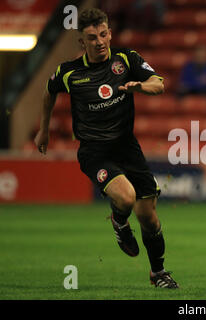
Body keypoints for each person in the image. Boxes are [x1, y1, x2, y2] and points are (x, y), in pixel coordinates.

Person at [34, 8, 178, 289]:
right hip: (94, 151)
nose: (100, 41)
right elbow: (48, 91)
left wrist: (141, 87)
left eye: (103, 34)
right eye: (92, 37)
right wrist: (43, 128)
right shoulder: (69, 73)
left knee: (148, 216)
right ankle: (119, 222)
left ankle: (158, 273)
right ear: (82, 42)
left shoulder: (126, 59)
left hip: (127, 147)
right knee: (126, 198)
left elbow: (158, 83)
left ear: (109, 33)